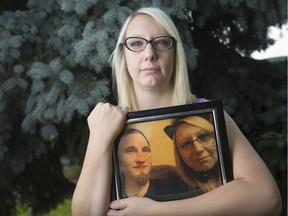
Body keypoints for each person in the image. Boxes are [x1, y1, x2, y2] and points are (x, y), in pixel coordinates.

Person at [71, 7, 282, 216]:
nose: (149, 54)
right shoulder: (109, 124)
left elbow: (267, 198)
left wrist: (158, 211)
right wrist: (99, 139)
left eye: (161, 42)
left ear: (175, 52)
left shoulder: (209, 117)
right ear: (123, 56)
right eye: (136, 43)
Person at [164, 116, 222, 193]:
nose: (198, 149)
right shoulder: (174, 189)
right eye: (186, 144)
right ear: (179, 153)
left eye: (203, 136)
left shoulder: (237, 170)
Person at [117, 128, 152, 198]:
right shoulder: (113, 193)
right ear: (118, 158)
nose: (141, 159)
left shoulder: (169, 188)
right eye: (130, 151)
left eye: (145, 150)